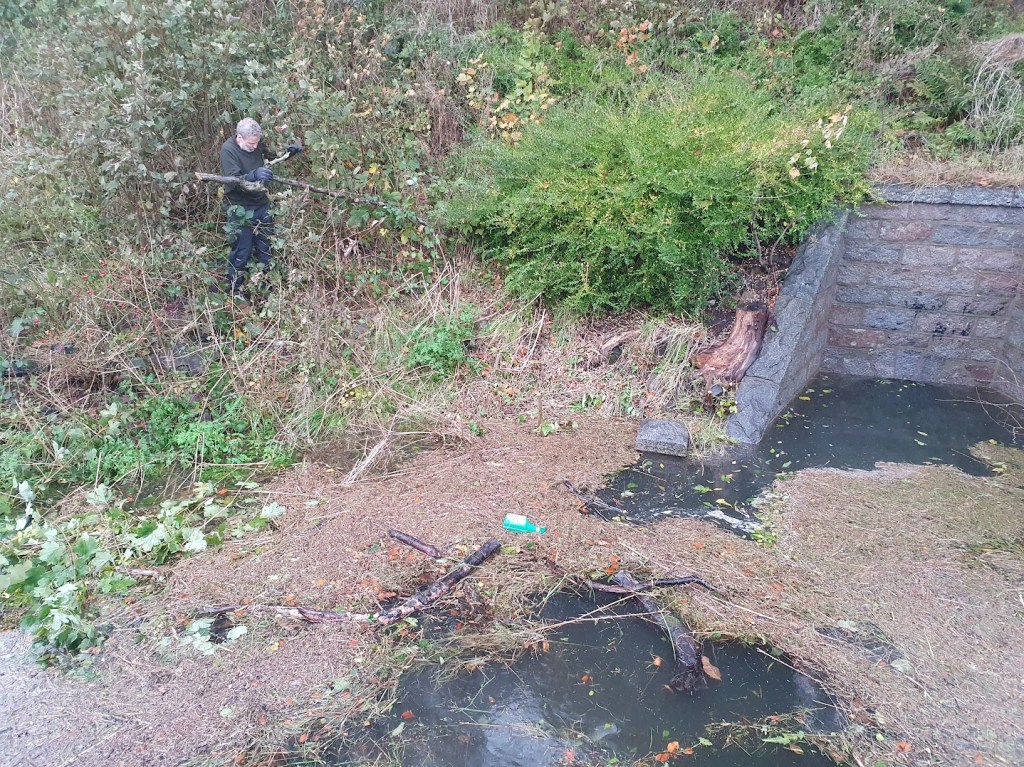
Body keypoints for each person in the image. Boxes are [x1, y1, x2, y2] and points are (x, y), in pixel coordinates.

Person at [219, 117, 302, 298]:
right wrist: (253, 174)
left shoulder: (257, 143)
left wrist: (289, 152)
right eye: (251, 144)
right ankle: (235, 290)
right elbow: (233, 181)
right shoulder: (228, 150)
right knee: (242, 249)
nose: (254, 147)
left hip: (262, 203)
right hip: (239, 206)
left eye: (256, 143)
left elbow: (272, 155)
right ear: (239, 138)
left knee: (266, 247)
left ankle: (267, 289)